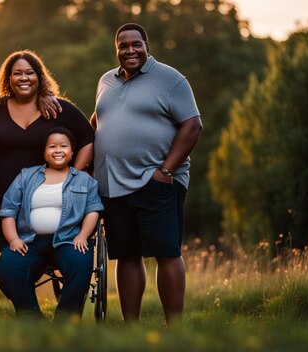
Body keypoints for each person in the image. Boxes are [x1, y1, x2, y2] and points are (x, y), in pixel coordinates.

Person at [92, 23, 203, 323]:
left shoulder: (171, 79)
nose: (130, 50)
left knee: (166, 253)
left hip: (156, 182)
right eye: (123, 45)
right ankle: (132, 328)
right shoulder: (106, 81)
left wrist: (166, 170)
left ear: (146, 45)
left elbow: (192, 126)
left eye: (135, 44)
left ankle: (174, 327)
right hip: (112, 185)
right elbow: (98, 121)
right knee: (127, 256)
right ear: (116, 49)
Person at [0, 50, 95, 251]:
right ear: (8, 78)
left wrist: (74, 174)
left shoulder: (57, 108)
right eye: (17, 73)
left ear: (39, 77)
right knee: (11, 254)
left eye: (30, 72)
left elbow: (88, 138)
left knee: (48, 251)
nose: (24, 78)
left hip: (47, 196)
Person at [0, 127, 104, 318]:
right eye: (52, 146)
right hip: (30, 241)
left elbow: (92, 210)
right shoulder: (26, 176)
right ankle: (31, 316)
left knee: (81, 262)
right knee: (6, 266)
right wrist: (13, 239)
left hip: (69, 240)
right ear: (44, 152)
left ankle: (66, 318)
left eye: (63, 146)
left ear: (72, 152)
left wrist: (83, 235)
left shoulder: (84, 180)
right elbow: (8, 211)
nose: (58, 150)